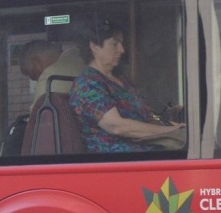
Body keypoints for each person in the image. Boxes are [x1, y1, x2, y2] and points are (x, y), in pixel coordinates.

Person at [67, 20, 185, 153]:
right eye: (114, 43)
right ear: (94, 46)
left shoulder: (122, 81)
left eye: (121, 43)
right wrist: (170, 131)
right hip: (118, 158)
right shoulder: (88, 85)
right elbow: (116, 126)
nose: (121, 50)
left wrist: (172, 126)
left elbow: (146, 117)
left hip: (145, 147)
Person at [18, 39, 85, 105]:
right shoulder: (79, 55)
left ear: (37, 62)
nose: (37, 81)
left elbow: (37, 113)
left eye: (34, 76)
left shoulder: (49, 78)